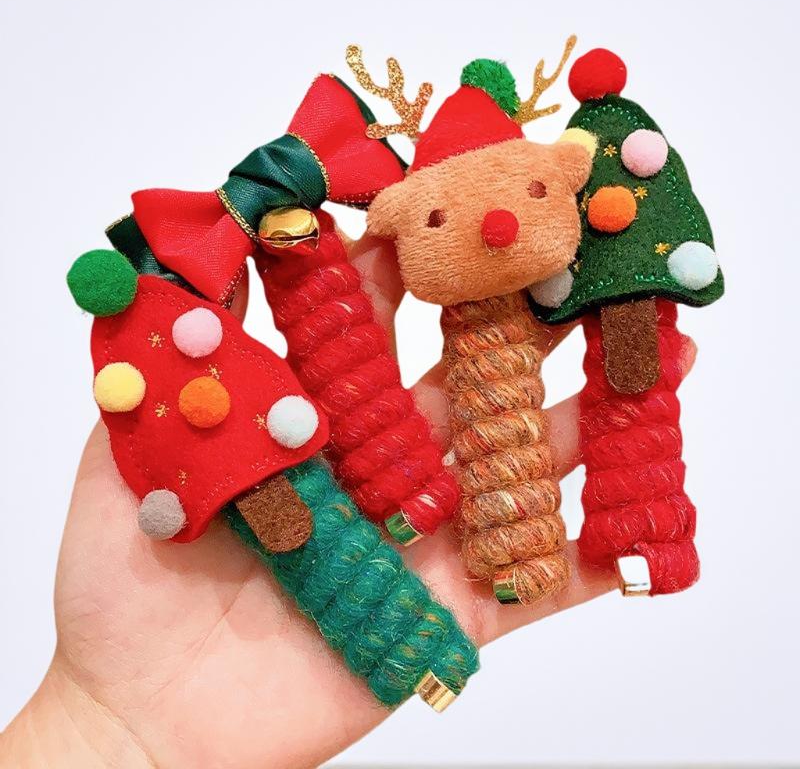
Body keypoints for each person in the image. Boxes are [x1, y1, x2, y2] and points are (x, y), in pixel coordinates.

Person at [0, 234, 695, 768]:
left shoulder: (164, 364)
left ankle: (435, 661)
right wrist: (101, 726)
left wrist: (101, 733)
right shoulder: (164, 365)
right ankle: (432, 665)